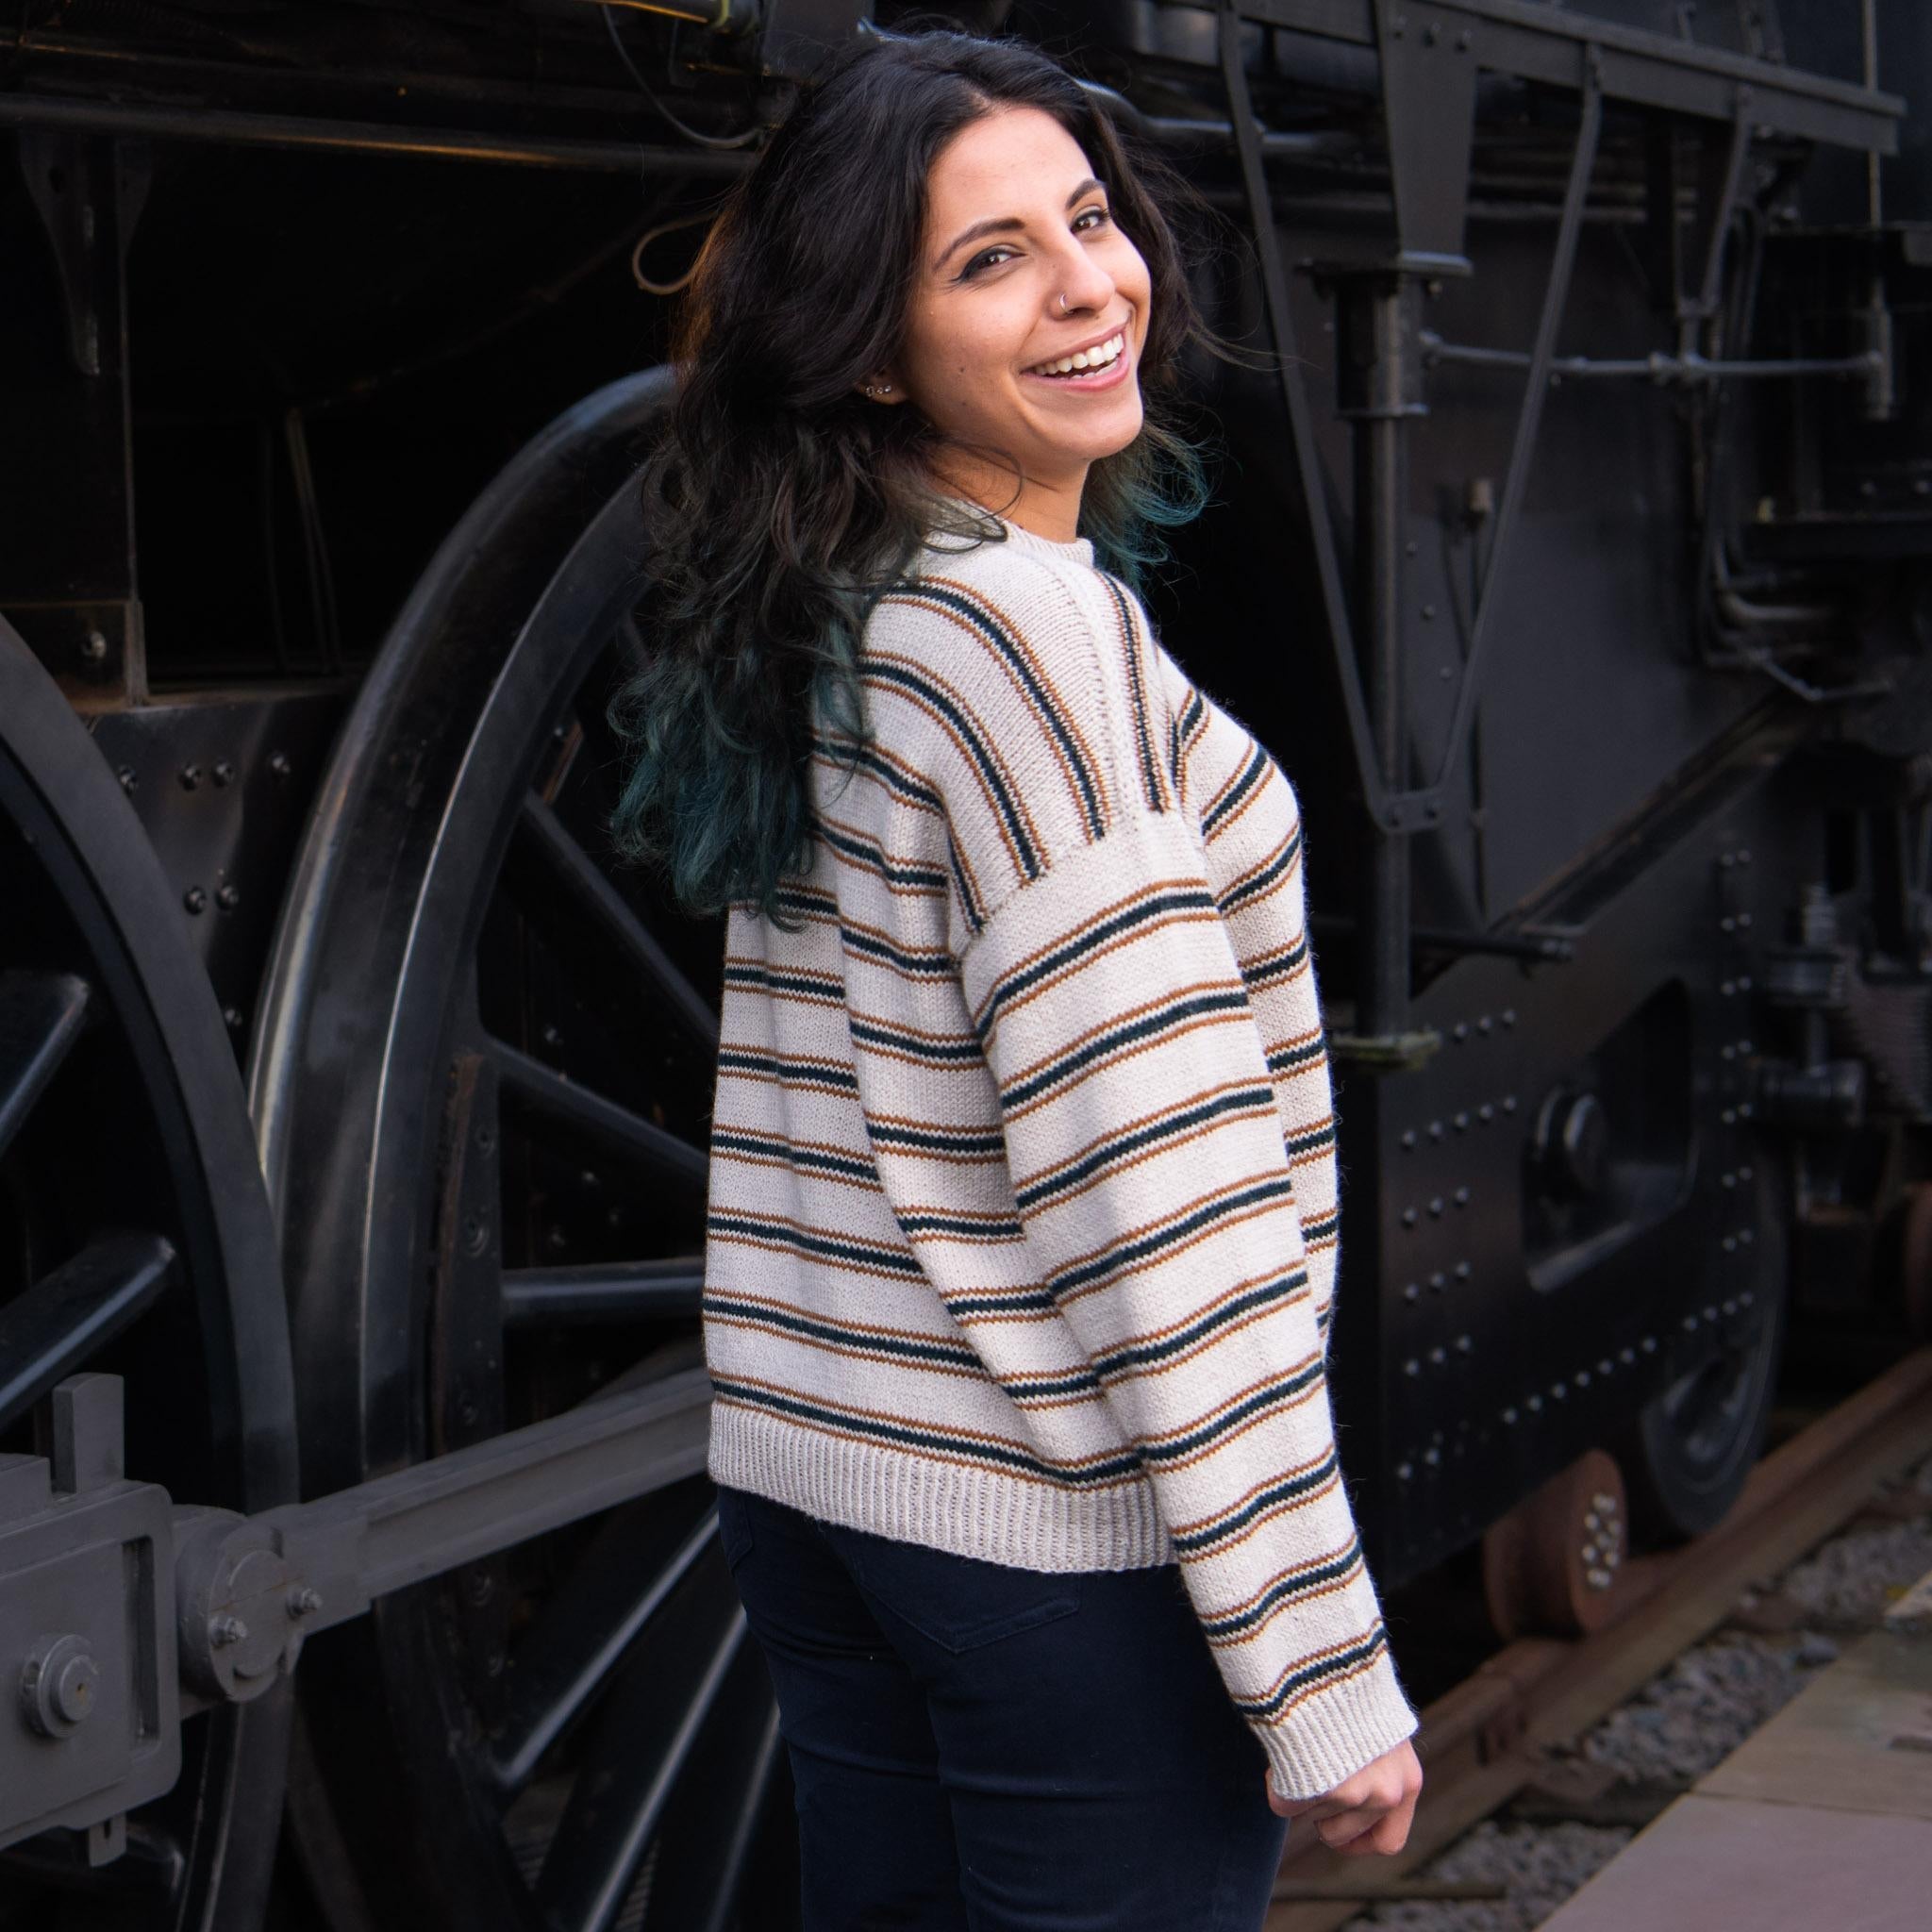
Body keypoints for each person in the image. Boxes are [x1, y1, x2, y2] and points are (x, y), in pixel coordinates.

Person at [610, 26, 1422, 1930]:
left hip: (832, 1495)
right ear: (873, 351)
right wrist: (1316, 1663)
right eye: (992, 259)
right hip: (1048, 1541)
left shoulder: (855, 597)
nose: (1088, 285)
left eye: (1088, 218)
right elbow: (1161, 1195)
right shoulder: (1033, 639)